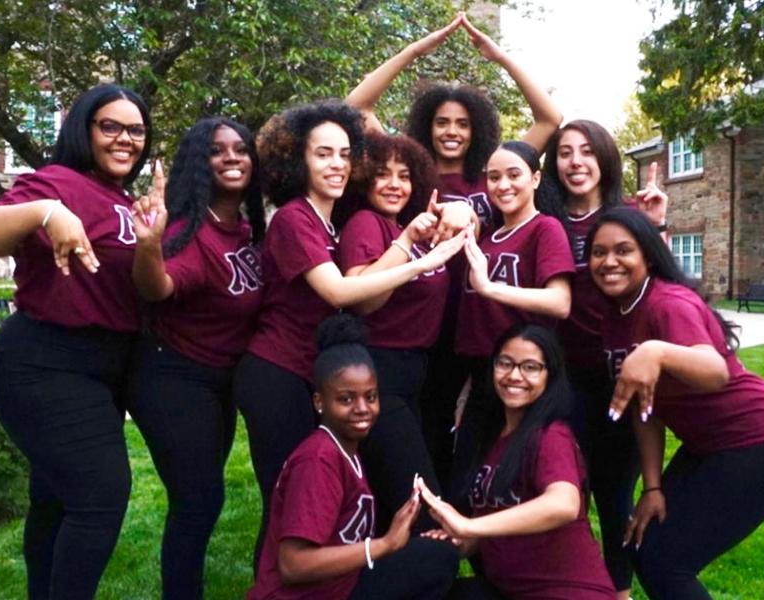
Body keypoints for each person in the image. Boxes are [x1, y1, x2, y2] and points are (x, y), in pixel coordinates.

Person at [233, 100, 467, 565]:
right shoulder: (295, 217)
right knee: (284, 502)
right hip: (276, 372)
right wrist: (422, 260)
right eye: (323, 154)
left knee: (307, 501)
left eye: (343, 154)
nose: (336, 164)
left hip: (309, 373)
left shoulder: (329, 223)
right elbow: (342, 291)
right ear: (297, 160)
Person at [347, 12, 564, 490]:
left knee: (482, 426)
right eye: (442, 121)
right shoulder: (408, 169)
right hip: (416, 318)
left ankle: (474, 512)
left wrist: (500, 57)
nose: (451, 131)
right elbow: (355, 106)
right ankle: (419, 515)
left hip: (478, 316)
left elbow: (550, 119)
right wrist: (414, 52)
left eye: (462, 123)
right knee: (426, 423)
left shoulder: (497, 172)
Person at [0, 84, 152, 599]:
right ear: (83, 130)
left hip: (104, 368)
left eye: (136, 130)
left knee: (55, 501)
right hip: (45, 362)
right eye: (109, 126)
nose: (125, 139)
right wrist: (46, 212)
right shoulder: (57, 184)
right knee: (100, 499)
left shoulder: (123, 199)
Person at [587, 208, 764, 600]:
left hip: (762, 440)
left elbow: (714, 371)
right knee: (643, 547)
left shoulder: (667, 304)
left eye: (624, 250)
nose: (609, 262)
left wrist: (657, 350)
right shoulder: (617, 314)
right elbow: (646, 410)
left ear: (649, 256)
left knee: (666, 564)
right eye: (598, 252)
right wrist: (652, 487)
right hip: (708, 447)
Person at [127, 117, 265, 599]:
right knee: (198, 500)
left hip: (219, 382)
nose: (232, 157)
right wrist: (148, 245)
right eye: (217, 150)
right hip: (175, 378)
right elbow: (158, 286)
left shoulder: (246, 229)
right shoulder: (188, 230)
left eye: (241, 149)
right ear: (197, 163)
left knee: (201, 497)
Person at [539, 120, 668, 598]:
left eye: (587, 152)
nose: (576, 162)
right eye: (565, 153)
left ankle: (618, 591)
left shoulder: (626, 214)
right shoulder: (542, 217)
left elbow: (661, 285)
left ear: (605, 160)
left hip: (620, 377)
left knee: (616, 500)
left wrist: (655, 225)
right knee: (564, 495)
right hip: (562, 381)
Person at [248, 314, 459, 600]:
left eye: (370, 397)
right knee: (435, 559)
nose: (362, 408)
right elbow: (292, 565)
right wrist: (383, 545)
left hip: (342, 585)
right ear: (319, 402)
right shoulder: (318, 460)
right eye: (346, 399)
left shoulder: (349, 450)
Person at [417, 324, 616, 599]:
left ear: (551, 376)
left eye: (530, 367)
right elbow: (501, 521)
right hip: (510, 591)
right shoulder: (493, 437)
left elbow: (564, 504)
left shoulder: (550, 435)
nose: (514, 376)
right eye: (505, 363)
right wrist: (459, 539)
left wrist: (469, 525)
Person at [335, 131, 450, 532]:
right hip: (382, 371)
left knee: (394, 503)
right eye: (383, 174)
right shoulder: (367, 224)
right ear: (364, 179)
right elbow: (363, 298)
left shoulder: (407, 228)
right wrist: (404, 242)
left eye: (404, 175)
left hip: (415, 376)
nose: (395, 184)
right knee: (421, 505)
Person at [451, 140, 575, 506]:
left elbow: (560, 302)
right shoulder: (486, 237)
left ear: (535, 179)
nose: (502, 185)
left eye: (513, 175)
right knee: (467, 480)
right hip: (482, 376)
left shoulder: (545, 229)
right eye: (493, 177)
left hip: (521, 377)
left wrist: (491, 288)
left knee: (512, 482)